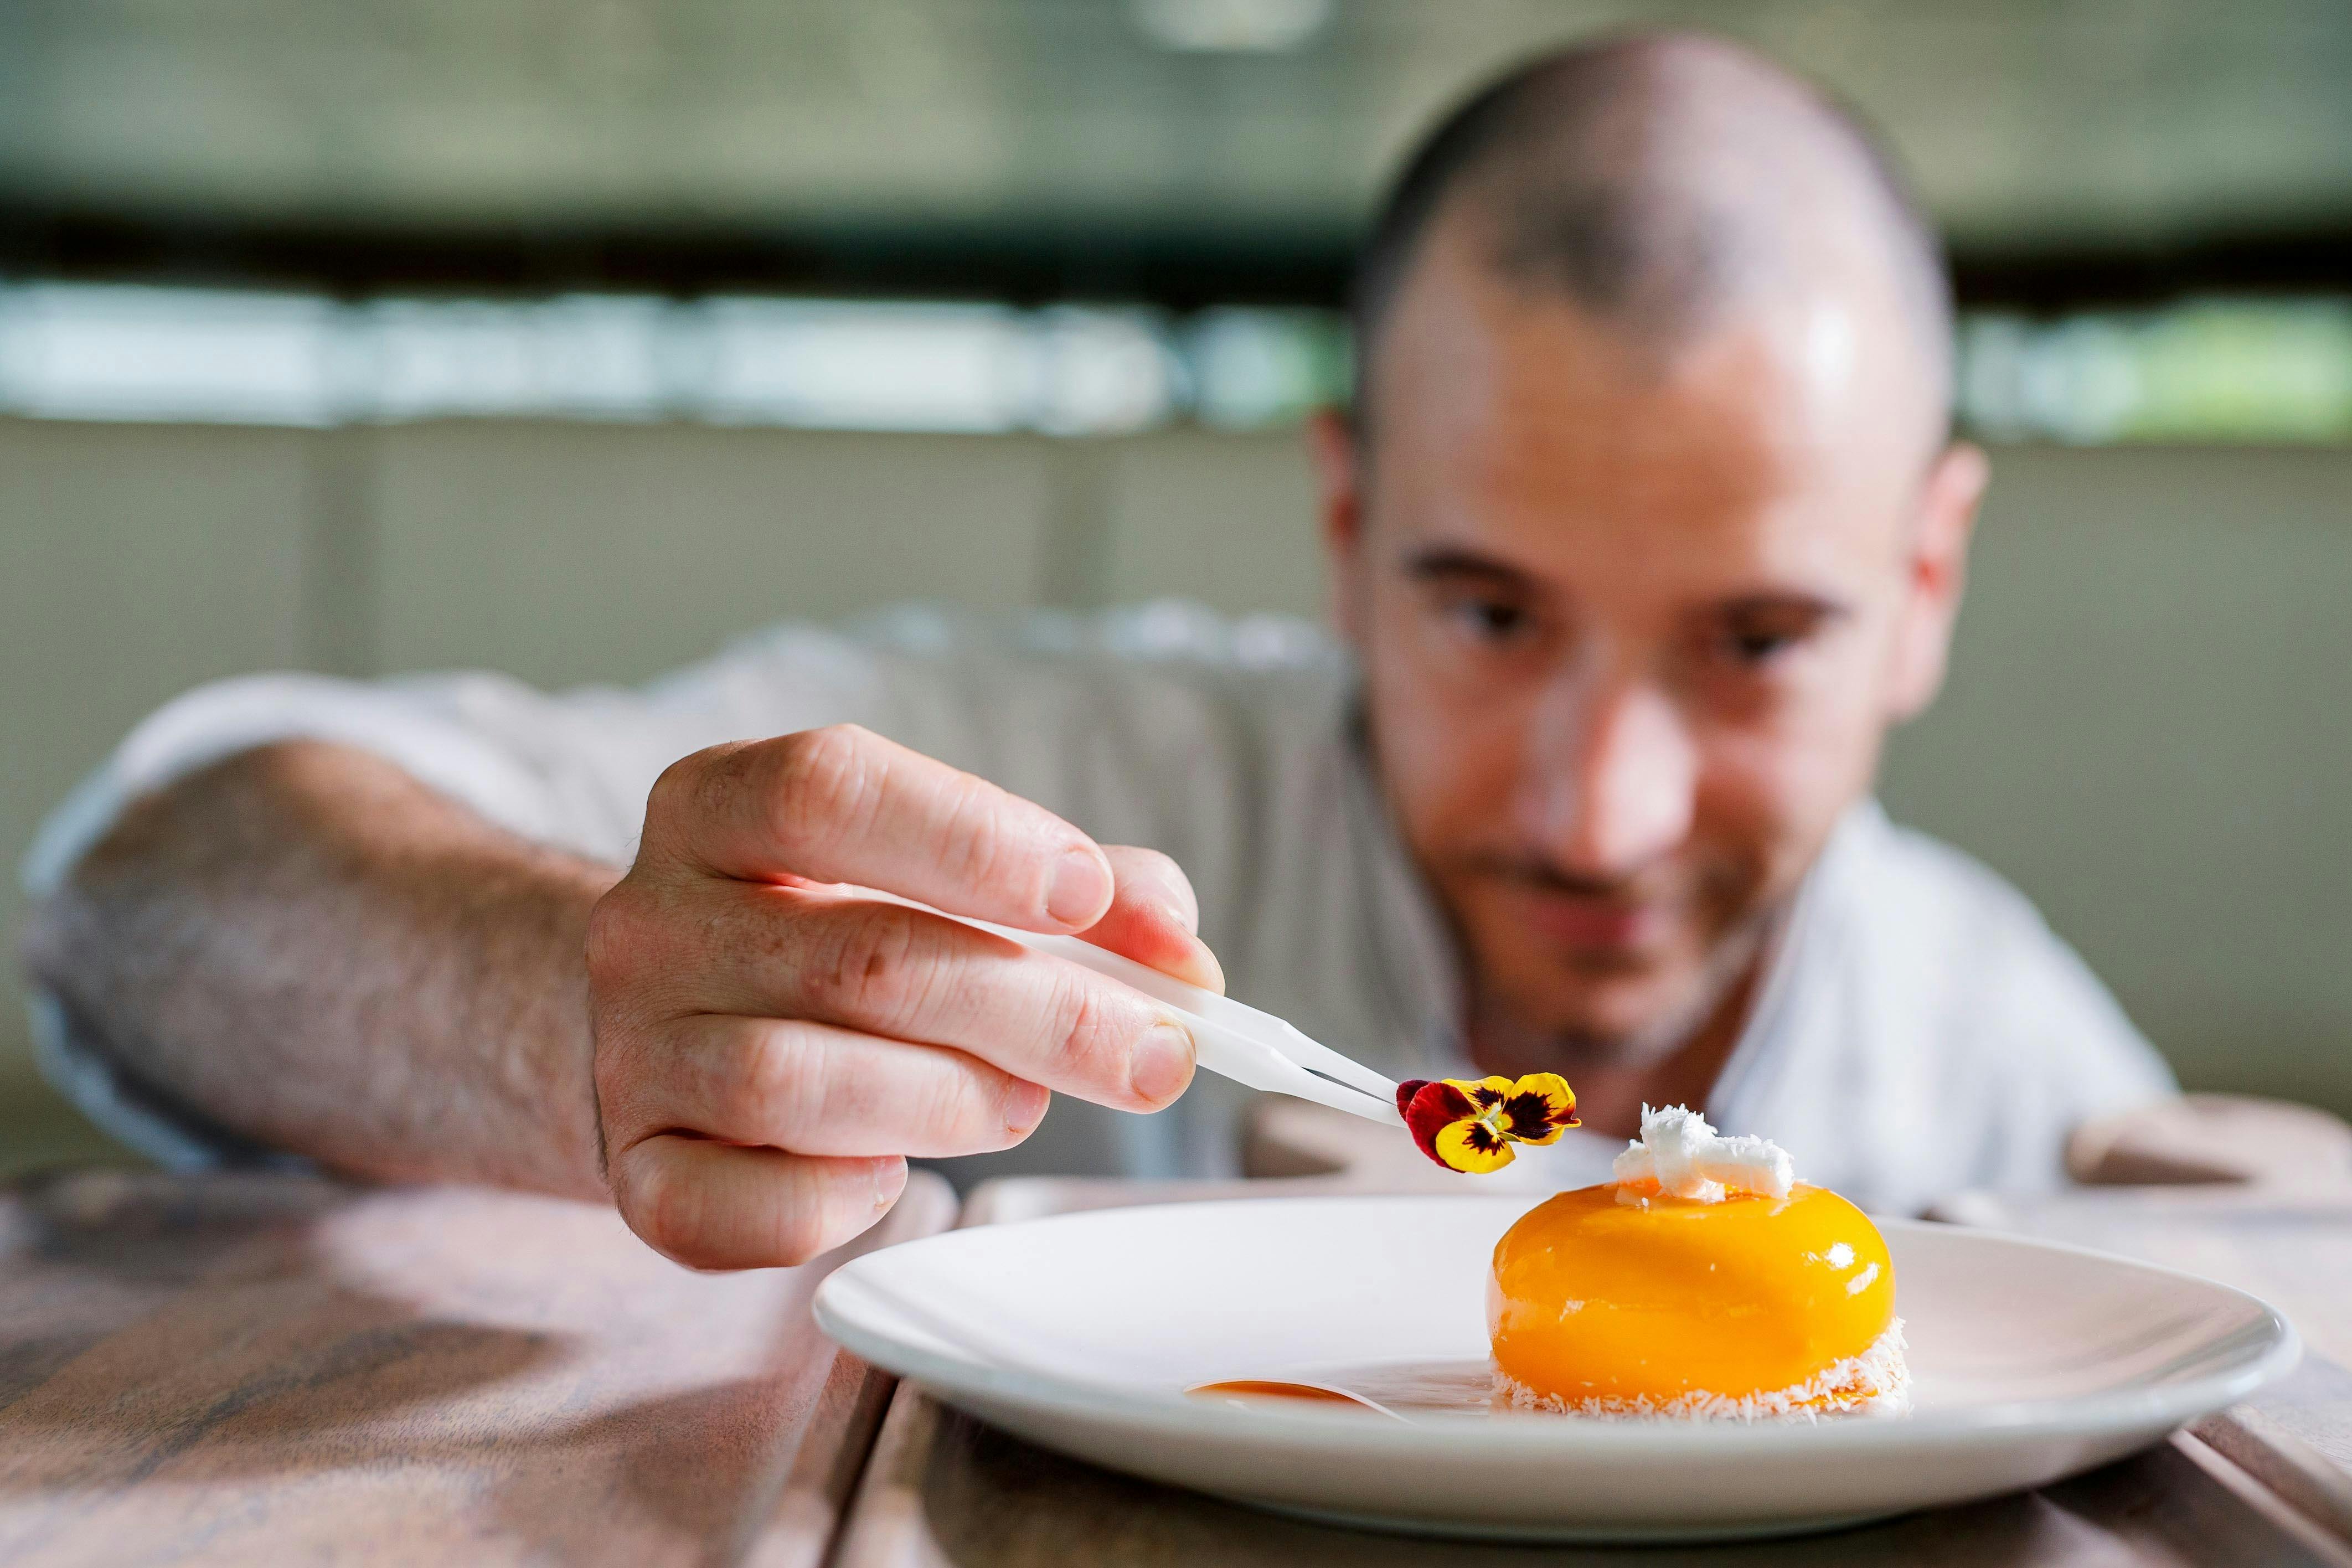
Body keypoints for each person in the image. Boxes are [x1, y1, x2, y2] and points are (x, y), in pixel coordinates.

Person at [21, 32, 2171, 1272]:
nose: (1592, 807)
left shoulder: (2026, 1082)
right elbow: (142, 885)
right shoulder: (1061, 787)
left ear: (1926, 590)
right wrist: (567, 1008)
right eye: (1487, 611)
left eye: (1758, 641)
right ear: (1341, 529)